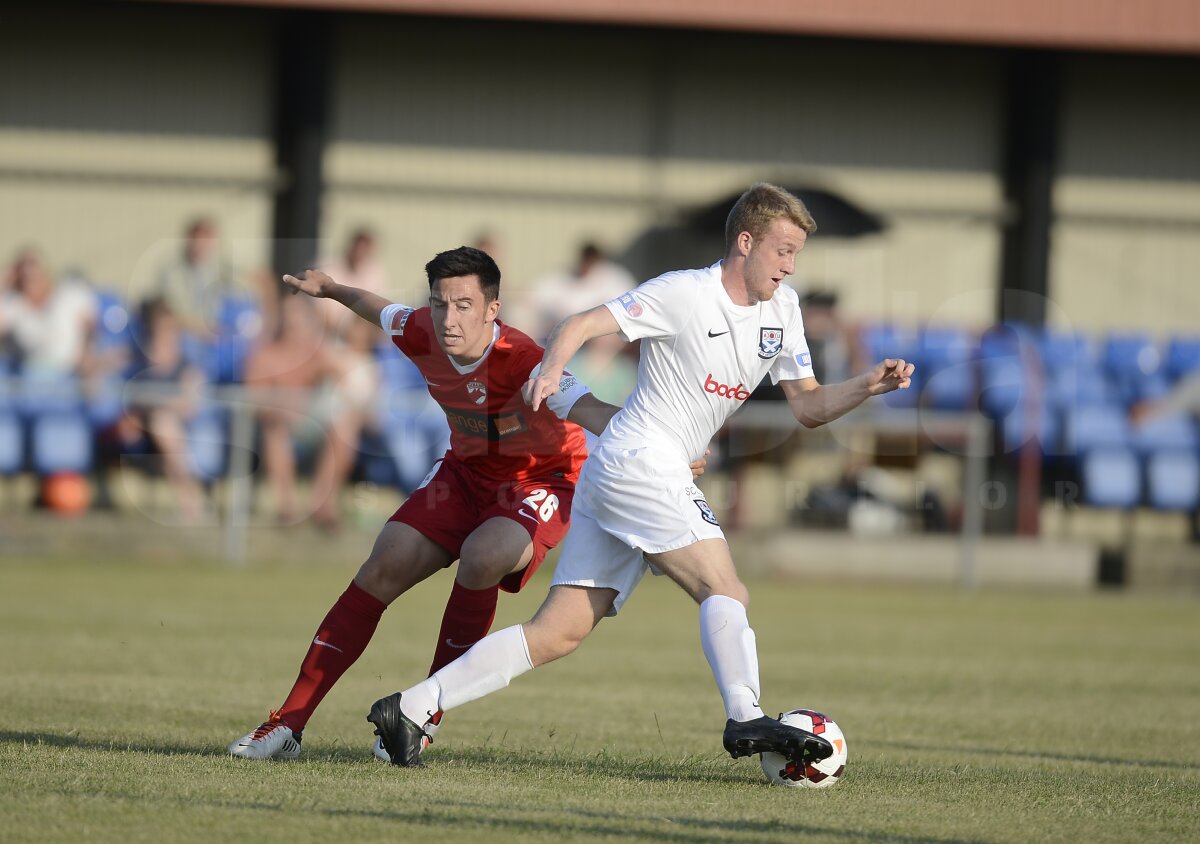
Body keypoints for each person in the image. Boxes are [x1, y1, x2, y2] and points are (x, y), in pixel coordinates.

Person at [366, 184, 915, 770]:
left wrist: (867, 386)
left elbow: (806, 406)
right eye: (783, 250)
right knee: (724, 588)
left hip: (628, 470)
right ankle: (744, 713)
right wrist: (551, 370)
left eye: (797, 254)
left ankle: (413, 707)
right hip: (641, 461)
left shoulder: (784, 309)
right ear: (745, 242)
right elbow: (580, 322)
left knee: (560, 632)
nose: (790, 265)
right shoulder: (684, 292)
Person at [229, 245, 705, 760]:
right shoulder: (421, 332)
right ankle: (287, 725)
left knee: (484, 555)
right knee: (383, 562)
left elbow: (589, 409)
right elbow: (374, 306)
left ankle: (419, 716)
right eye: (440, 304)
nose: (448, 318)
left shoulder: (523, 361)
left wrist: (662, 450)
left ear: (491, 310)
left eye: (462, 306)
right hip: (463, 473)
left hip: (541, 481)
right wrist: (332, 289)